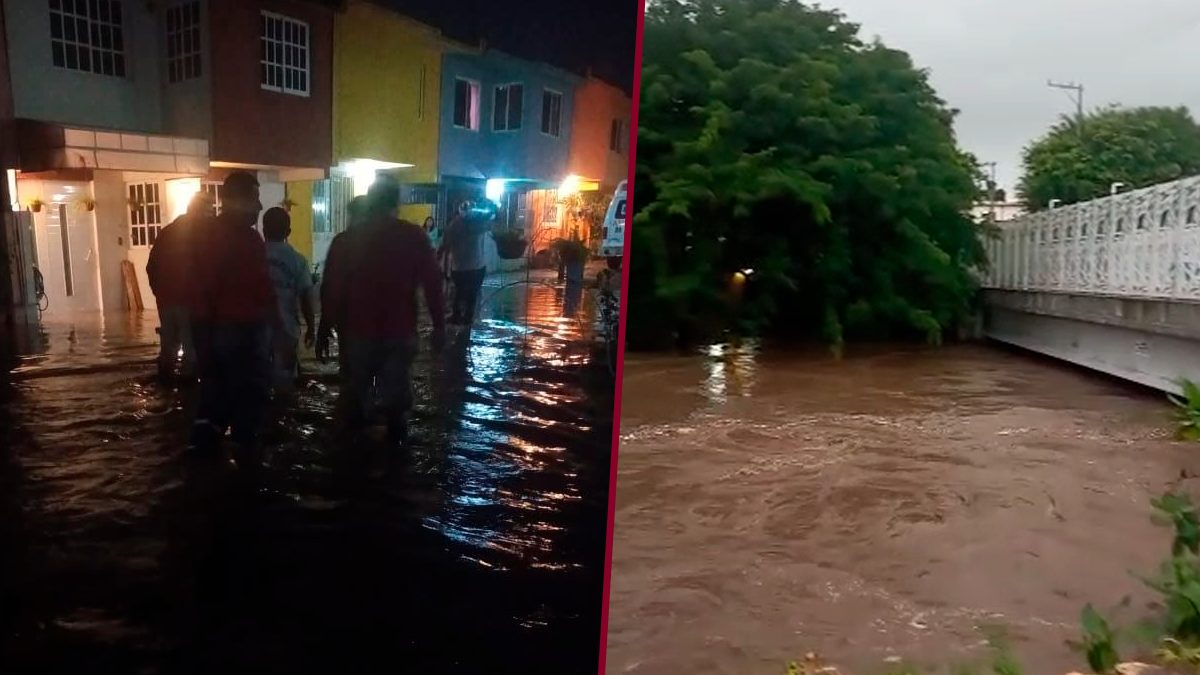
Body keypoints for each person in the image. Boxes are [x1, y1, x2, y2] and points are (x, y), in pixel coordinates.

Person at [324, 176, 445, 445]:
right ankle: (395, 458)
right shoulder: (414, 236)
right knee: (396, 408)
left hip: (358, 331)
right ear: (396, 202)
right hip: (399, 332)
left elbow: (332, 285)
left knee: (355, 398)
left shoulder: (347, 239)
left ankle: (351, 459)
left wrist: (324, 327)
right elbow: (433, 284)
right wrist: (439, 326)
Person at [188, 171, 275, 464]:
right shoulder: (234, 239)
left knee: (217, 396)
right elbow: (208, 288)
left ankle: (207, 461)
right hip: (238, 331)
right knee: (246, 396)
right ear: (235, 201)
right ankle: (243, 460)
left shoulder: (223, 237)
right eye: (254, 199)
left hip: (222, 330)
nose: (259, 206)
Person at [146, 192, 212, 382]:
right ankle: (189, 391)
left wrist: (159, 293)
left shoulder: (167, 232)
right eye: (209, 211)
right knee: (191, 349)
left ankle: (165, 385)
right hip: (191, 301)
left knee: (168, 348)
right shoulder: (201, 235)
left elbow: (151, 266)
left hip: (166, 300)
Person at [315, 195, 370, 379]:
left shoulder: (343, 242)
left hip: (349, 322)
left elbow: (331, 286)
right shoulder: (387, 243)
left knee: (351, 376)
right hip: (385, 328)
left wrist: (324, 327)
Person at [263, 207, 316, 394]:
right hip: (287, 329)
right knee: (285, 380)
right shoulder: (297, 260)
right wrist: (311, 327)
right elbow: (306, 297)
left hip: (256, 328)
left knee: (258, 379)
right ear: (288, 232)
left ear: (264, 230)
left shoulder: (253, 255)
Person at [439, 200, 493, 326]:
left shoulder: (454, 225)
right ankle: (467, 319)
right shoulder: (479, 224)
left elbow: (444, 246)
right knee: (471, 295)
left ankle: (458, 318)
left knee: (460, 293)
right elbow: (492, 219)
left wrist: (438, 259)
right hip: (475, 267)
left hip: (460, 267)